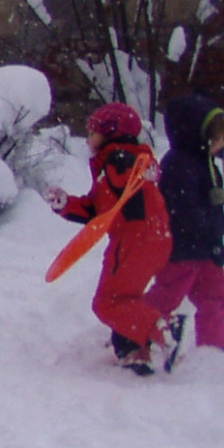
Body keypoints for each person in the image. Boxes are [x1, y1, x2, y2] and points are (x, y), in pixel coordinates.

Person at [48, 101, 179, 375]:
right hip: (156, 238)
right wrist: (66, 205)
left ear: (111, 132)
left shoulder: (118, 159)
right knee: (126, 298)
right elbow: (98, 211)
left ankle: (165, 330)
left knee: (108, 303)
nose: (88, 138)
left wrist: (143, 169)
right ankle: (135, 353)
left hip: (134, 240)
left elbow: (134, 172)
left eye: (92, 132)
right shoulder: (114, 163)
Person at [147, 94, 224, 354]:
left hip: (206, 248)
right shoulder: (178, 165)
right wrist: (208, 231)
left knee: (215, 295)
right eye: (217, 138)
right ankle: (136, 334)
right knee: (167, 295)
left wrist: (215, 237)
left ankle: (215, 344)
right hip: (181, 249)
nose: (221, 144)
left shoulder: (205, 163)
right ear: (198, 136)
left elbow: (210, 208)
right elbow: (185, 210)